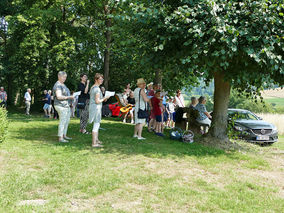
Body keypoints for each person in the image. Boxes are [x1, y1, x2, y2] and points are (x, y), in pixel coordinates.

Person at [89, 73, 110, 147]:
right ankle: (94, 143)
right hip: (96, 108)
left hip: (93, 107)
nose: (102, 80)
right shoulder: (97, 89)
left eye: (102, 79)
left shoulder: (93, 87)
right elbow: (97, 101)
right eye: (100, 79)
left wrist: (104, 99)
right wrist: (104, 98)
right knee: (96, 124)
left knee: (97, 123)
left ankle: (96, 140)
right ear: (96, 79)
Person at [53, 71, 74, 143]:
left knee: (66, 121)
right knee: (62, 121)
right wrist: (69, 97)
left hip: (66, 105)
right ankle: (60, 138)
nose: (65, 78)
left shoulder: (63, 85)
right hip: (60, 105)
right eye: (63, 77)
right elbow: (58, 96)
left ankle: (64, 135)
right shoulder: (58, 85)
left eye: (65, 77)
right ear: (59, 76)